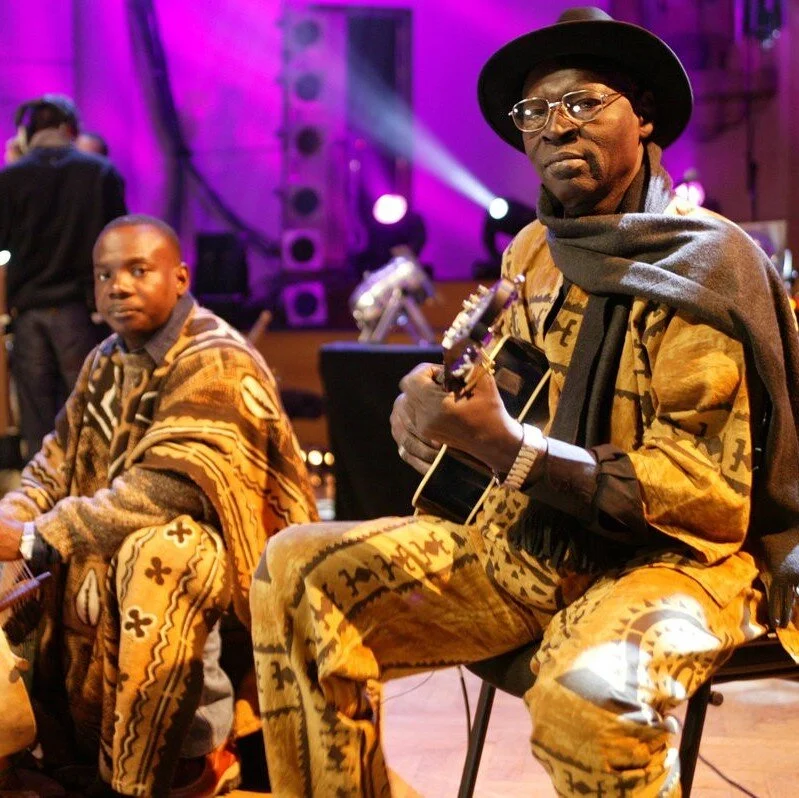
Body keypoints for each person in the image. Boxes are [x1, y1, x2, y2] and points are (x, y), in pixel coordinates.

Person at [250, 7, 799, 796]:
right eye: (534, 112)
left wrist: (513, 450)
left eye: (581, 103)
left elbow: (708, 496)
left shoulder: (706, 268)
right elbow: (513, 385)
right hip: (535, 540)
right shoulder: (535, 250)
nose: (553, 127)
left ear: (642, 116)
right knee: (296, 569)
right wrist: (432, 414)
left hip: (672, 562)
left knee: (593, 697)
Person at [0, 214, 318, 795]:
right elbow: (56, 458)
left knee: (165, 550)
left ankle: (185, 758)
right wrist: (14, 514)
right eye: (103, 275)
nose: (117, 286)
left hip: (226, 573)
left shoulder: (217, 356)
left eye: (137, 270)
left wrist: (33, 537)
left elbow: (171, 490)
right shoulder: (105, 359)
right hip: (109, 543)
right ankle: (54, 747)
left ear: (179, 277)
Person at [0, 94, 127, 461]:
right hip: (81, 314)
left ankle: (41, 504)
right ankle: (93, 497)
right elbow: (121, 239)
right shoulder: (100, 172)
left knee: (37, 420)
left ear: (27, 133)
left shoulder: (9, 179)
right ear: (70, 128)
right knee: (91, 411)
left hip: (28, 317)